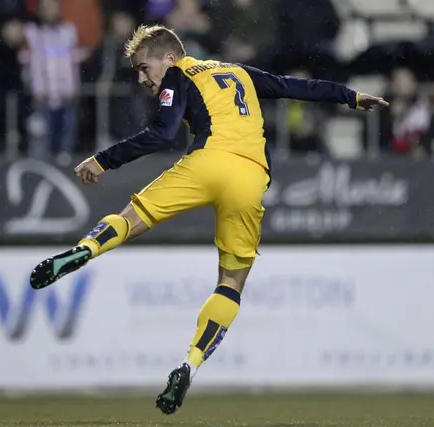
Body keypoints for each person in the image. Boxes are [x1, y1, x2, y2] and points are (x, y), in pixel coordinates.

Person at [29, 24, 388, 414]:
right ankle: (190, 364)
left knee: (132, 217)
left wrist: (103, 159)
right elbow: (294, 86)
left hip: (207, 162)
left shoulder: (178, 75)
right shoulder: (239, 72)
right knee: (231, 281)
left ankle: (84, 250)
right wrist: (351, 97)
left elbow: (162, 134)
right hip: (251, 177)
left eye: (144, 67)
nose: (142, 78)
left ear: (169, 56)